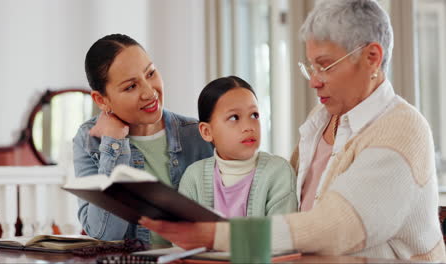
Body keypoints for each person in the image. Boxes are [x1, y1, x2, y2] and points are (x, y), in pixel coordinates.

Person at [139, 0, 446, 261]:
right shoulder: (323, 116)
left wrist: (216, 234)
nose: (314, 80)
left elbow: (338, 229)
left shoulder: (402, 130)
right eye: (310, 66)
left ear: (371, 58)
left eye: (325, 65)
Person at [72, 34, 213, 245]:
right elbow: (105, 235)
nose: (149, 92)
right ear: (101, 100)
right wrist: (114, 144)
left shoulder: (198, 135)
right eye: (130, 87)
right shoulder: (88, 141)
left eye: (150, 73)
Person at [179, 76, 297, 218]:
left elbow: (280, 236)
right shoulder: (193, 178)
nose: (248, 127)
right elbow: (183, 237)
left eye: (254, 115)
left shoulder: (278, 172)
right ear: (207, 131)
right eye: (234, 117)